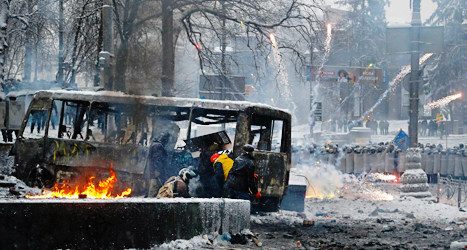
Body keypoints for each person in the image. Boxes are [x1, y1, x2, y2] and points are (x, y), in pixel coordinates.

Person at [147, 132, 170, 197]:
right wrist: (158, 171)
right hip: (157, 172)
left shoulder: (155, 144)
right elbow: (157, 160)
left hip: (155, 171)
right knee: (154, 188)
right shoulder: (158, 146)